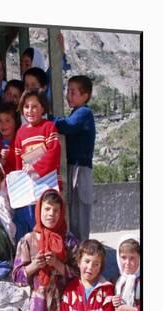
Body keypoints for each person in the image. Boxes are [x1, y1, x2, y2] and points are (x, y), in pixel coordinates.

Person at [12, 189, 79, 311]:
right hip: (39, 310)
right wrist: (35, 266)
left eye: (56, 210)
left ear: (62, 213)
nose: (51, 214)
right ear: (39, 210)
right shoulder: (28, 240)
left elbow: (80, 274)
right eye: (47, 209)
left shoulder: (69, 241)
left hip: (65, 307)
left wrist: (59, 266)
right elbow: (17, 276)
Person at [13, 89, 62, 243]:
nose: (30, 110)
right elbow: (18, 161)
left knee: (49, 219)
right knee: (30, 221)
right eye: (26, 106)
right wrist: (18, 182)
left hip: (48, 184)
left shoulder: (49, 127)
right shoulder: (20, 133)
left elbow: (54, 152)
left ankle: (52, 253)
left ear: (43, 108)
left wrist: (36, 167)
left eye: (35, 106)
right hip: (29, 187)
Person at [54, 75, 96, 242]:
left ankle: (83, 248)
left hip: (81, 169)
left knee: (80, 211)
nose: (68, 96)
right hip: (73, 167)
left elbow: (67, 126)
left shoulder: (84, 113)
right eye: (68, 91)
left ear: (85, 96)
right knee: (73, 211)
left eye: (73, 92)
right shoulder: (76, 113)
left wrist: (49, 119)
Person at [0, 102, 21, 174]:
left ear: (16, 122)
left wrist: (10, 155)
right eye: (0, 121)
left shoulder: (21, 142)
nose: (3, 124)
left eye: (7, 120)